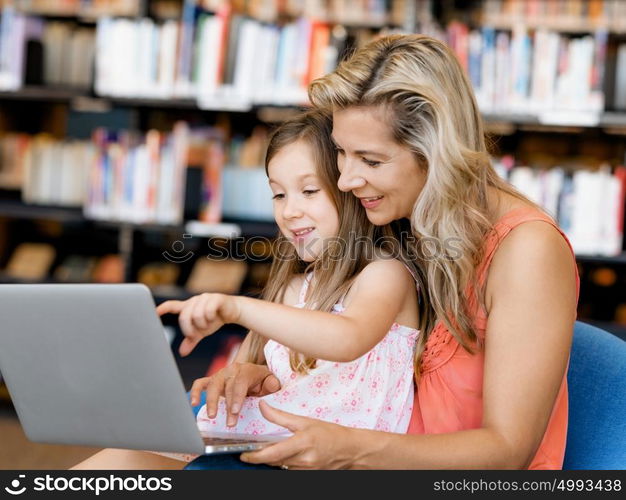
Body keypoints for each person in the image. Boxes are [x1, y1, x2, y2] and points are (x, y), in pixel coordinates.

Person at [187, 34, 578, 470]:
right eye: (341, 153)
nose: (347, 180)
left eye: (371, 161)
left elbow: (508, 453)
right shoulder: (408, 220)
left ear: (436, 153)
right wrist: (267, 376)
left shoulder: (528, 251)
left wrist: (351, 448)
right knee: (121, 463)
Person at [72, 110, 420, 469]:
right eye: (279, 195)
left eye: (309, 191)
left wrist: (238, 309)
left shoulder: (385, 273)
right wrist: (243, 378)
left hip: (333, 462)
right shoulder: (295, 287)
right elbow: (274, 377)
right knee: (124, 455)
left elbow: (347, 339)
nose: (290, 211)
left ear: (349, 190)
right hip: (271, 447)